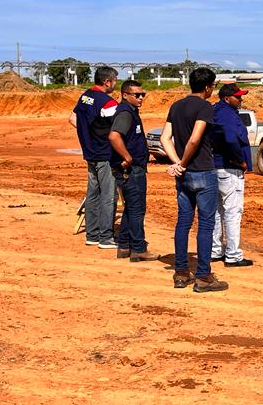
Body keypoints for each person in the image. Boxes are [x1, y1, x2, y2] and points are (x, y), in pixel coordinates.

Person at [161, 67, 227, 293]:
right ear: (208, 87)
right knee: (206, 225)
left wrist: (176, 163)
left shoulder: (176, 106)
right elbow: (195, 139)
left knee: (183, 222)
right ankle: (203, 276)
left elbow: (164, 138)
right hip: (202, 171)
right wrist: (183, 162)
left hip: (183, 176)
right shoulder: (205, 107)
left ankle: (180, 273)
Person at [108, 79, 157, 262]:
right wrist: (127, 157)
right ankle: (138, 249)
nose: (141, 98)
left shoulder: (130, 111)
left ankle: (124, 246)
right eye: (137, 95)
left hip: (133, 168)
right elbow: (114, 137)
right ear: (125, 95)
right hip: (131, 169)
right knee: (137, 210)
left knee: (131, 208)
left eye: (142, 94)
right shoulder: (125, 113)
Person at [70, 66, 119, 248]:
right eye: (114, 80)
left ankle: (92, 234)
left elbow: (72, 118)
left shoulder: (85, 97)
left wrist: (88, 134)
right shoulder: (108, 103)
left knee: (92, 193)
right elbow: (117, 130)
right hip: (106, 153)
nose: (115, 83)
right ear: (107, 82)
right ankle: (105, 237)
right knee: (108, 195)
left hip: (90, 152)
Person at [210, 83, 253, 267]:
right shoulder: (227, 114)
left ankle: (215, 250)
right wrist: (239, 160)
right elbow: (229, 138)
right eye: (238, 97)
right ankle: (233, 255)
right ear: (227, 98)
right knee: (233, 212)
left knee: (218, 211)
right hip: (229, 168)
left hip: (215, 167)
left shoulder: (216, 111)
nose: (241, 100)